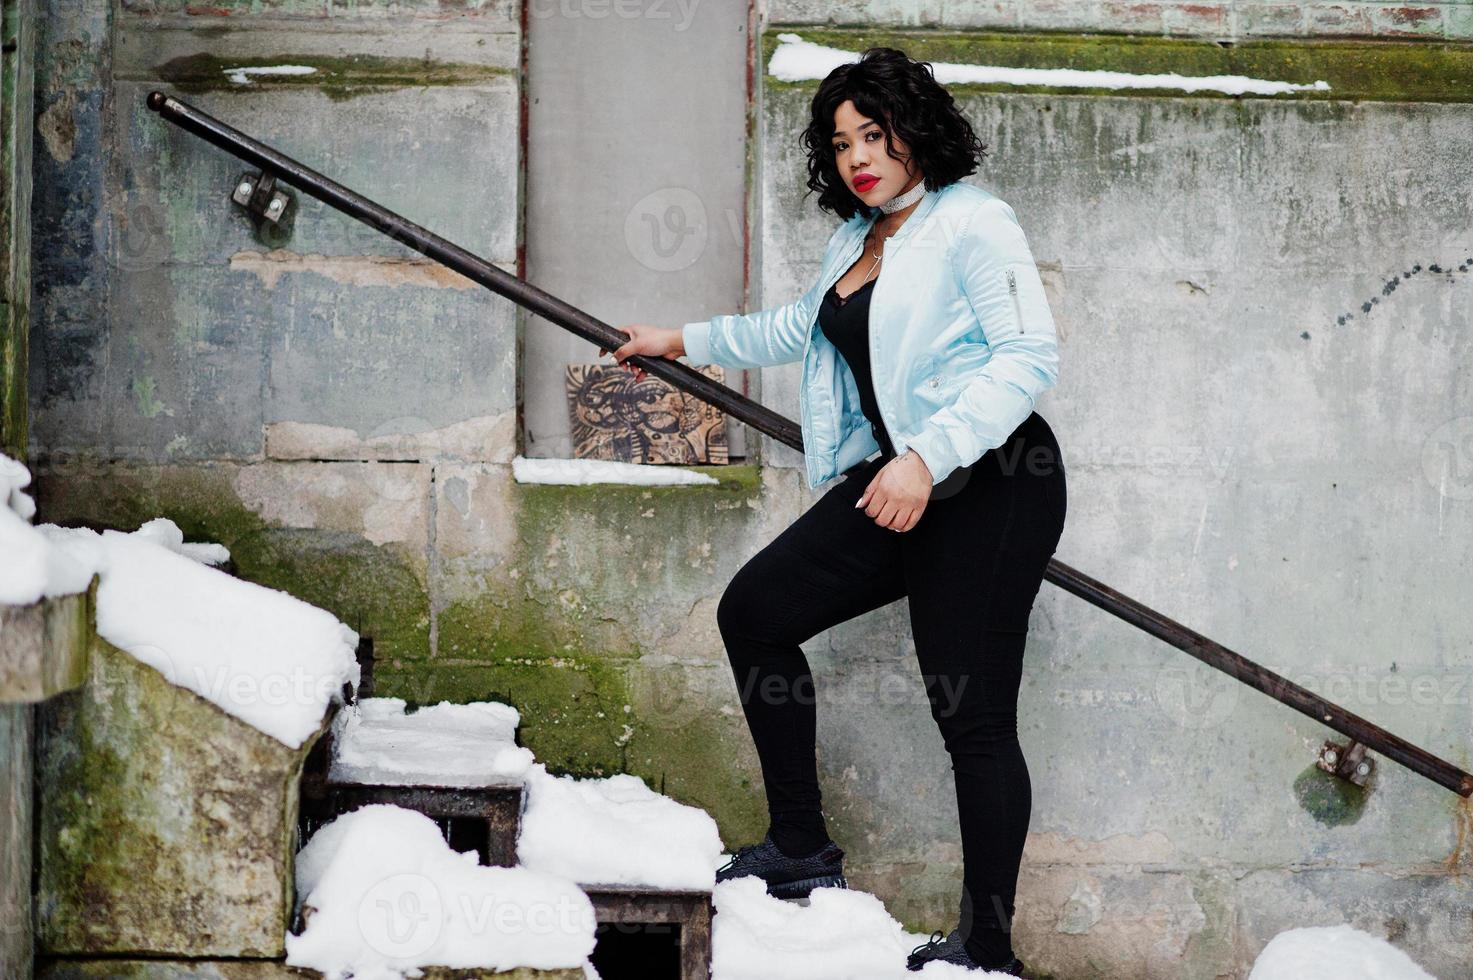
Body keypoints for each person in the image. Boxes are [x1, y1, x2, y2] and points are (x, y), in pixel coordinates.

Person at [602, 46, 1065, 977]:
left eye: (874, 133)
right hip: (902, 481)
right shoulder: (858, 238)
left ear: (913, 127)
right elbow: (796, 325)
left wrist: (926, 457)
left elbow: (1027, 359)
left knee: (968, 714)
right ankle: (801, 847)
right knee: (757, 613)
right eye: (840, 140)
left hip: (991, 483)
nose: (858, 154)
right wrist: (680, 341)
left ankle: (986, 945)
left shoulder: (973, 223)